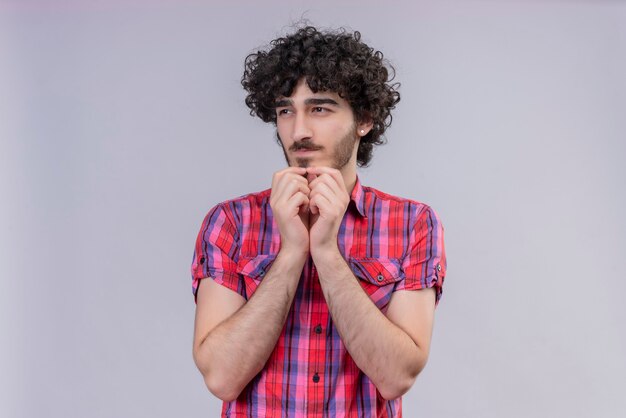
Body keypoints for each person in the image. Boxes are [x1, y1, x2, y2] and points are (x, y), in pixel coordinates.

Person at [191, 26, 447, 417]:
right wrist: (293, 251)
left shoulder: (413, 223)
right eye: (285, 111)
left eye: (319, 108)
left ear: (364, 119)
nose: (299, 131)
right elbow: (222, 377)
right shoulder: (231, 222)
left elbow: (395, 375)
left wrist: (326, 252)